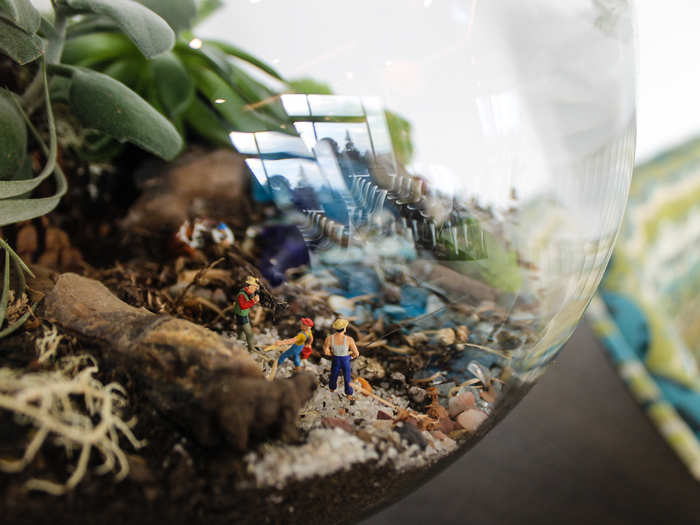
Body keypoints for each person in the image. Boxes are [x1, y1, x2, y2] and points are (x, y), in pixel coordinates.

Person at [323, 318, 359, 399]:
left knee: (333, 375)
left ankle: (332, 389)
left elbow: (326, 351)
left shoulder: (329, 338)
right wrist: (350, 356)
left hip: (335, 359)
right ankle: (349, 394)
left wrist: (332, 353)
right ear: (344, 328)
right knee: (347, 377)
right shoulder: (349, 339)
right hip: (346, 360)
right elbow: (356, 353)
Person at [234, 276, 260, 352]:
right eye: (254, 287)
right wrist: (253, 301)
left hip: (243, 314)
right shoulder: (242, 295)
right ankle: (251, 348)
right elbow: (243, 306)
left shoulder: (248, 293)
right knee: (249, 333)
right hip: (241, 315)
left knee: (240, 330)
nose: (255, 289)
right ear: (250, 286)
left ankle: (239, 342)